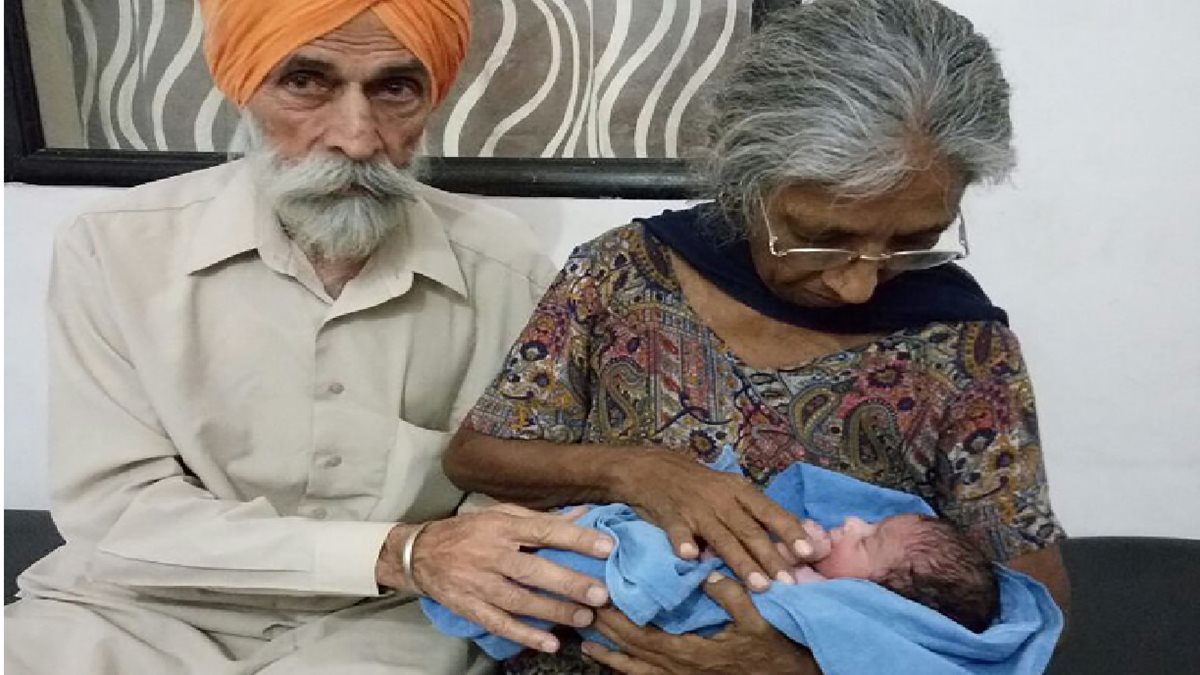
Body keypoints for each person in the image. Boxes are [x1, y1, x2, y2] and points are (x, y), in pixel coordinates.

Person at [444, 0, 1071, 672]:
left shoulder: (963, 347)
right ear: (747, 183)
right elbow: (477, 457)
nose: (858, 285)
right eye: (821, 238)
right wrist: (631, 469)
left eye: (914, 241)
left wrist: (808, 664)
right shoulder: (625, 274)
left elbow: (1027, 601)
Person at [4, 2, 619, 673]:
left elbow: (509, 492)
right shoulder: (116, 247)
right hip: (134, 610)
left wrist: (423, 562)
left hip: (388, 621)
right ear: (246, 85)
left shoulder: (506, 266)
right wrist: (398, 548)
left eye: (394, 89)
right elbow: (118, 514)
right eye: (307, 82)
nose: (356, 139)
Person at [789, 514, 999, 633]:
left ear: (880, 599)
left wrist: (794, 552)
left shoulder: (835, 604)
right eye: (872, 524)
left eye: (865, 542)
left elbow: (771, 577)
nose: (852, 521)